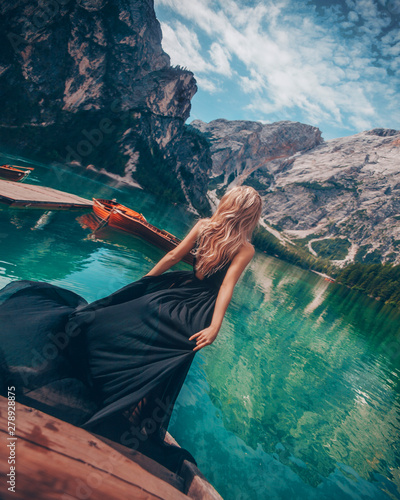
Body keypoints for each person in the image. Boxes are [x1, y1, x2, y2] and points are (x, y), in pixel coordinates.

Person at [0, 185, 262, 473]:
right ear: (251, 215)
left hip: (179, 289)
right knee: (171, 354)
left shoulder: (204, 226)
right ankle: (131, 406)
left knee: (128, 325)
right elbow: (226, 286)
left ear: (228, 204)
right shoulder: (245, 248)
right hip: (199, 307)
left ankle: (111, 384)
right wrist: (214, 326)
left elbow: (174, 256)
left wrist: (144, 283)